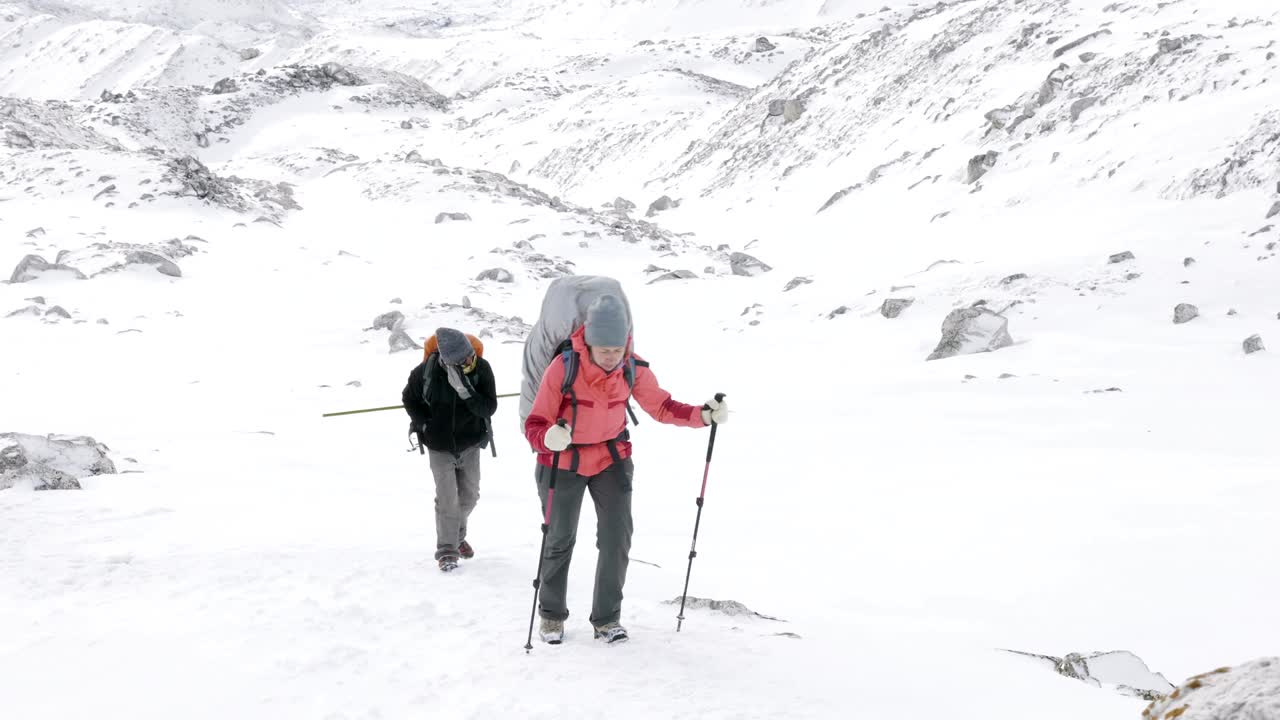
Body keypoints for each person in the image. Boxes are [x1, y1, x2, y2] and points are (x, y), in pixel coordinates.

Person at [523, 294, 728, 643]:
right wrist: (548, 438)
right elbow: (536, 423)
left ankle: (606, 619)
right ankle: (552, 616)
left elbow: (662, 406)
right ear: (588, 341)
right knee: (559, 540)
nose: (611, 356)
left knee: (617, 539)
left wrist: (703, 415)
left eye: (617, 349)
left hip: (611, 459)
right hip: (563, 462)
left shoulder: (632, 367)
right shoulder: (564, 367)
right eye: (604, 349)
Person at [402, 327, 498, 572]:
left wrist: (465, 390)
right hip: (439, 446)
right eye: (461, 361)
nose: (468, 362)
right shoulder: (425, 372)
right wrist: (424, 424)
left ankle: (456, 536)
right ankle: (447, 551)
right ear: (445, 360)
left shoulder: (482, 369)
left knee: (469, 497)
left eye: (469, 356)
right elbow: (409, 398)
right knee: (447, 500)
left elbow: (488, 408)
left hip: (470, 444)